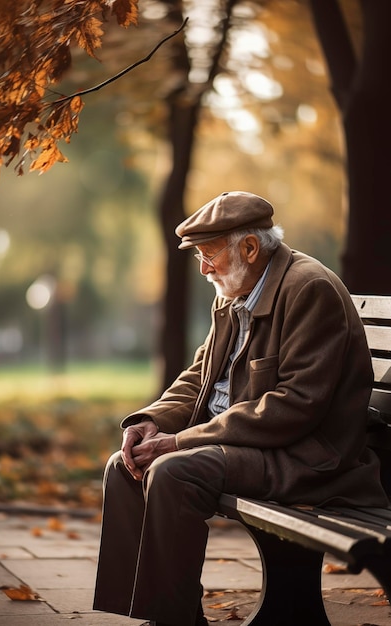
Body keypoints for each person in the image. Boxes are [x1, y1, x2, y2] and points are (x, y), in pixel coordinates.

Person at [93, 191, 388, 626]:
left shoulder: (309, 289)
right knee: (124, 465)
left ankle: (169, 620)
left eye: (209, 255)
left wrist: (180, 442)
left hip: (306, 456)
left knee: (174, 471)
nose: (203, 267)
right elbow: (199, 375)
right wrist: (150, 421)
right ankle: (167, 615)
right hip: (246, 444)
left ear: (250, 249)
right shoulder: (234, 292)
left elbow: (294, 407)